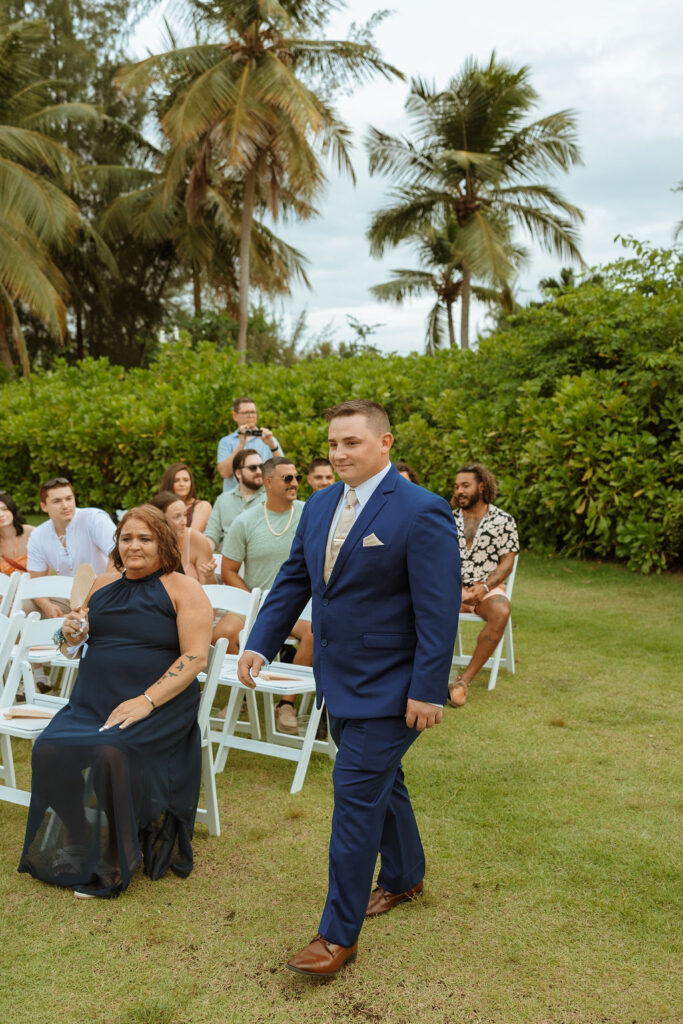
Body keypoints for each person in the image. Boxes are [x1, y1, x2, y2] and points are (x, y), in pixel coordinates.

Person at [238, 400, 461, 977]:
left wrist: (428, 689)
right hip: (337, 678)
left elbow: (438, 611)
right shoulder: (317, 505)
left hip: (393, 687)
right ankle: (405, 877)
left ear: (385, 444)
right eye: (333, 445)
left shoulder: (421, 511)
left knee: (354, 798)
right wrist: (260, 643)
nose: (338, 454)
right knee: (385, 784)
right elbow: (295, 580)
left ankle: (337, 937)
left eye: (352, 444)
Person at [18, 504, 213, 899]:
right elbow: (71, 648)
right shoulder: (101, 584)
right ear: (117, 544)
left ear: (163, 544)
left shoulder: (183, 587)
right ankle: (78, 833)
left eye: (145, 538)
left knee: (110, 750)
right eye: (127, 538)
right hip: (92, 700)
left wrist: (146, 701)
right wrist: (68, 635)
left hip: (159, 702)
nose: (135, 546)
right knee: (49, 750)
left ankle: (113, 853)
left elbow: (195, 657)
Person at [217, 457, 310, 735]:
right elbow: (229, 570)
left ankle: (286, 704)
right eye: (287, 479)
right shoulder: (245, 522)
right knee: (223, 631)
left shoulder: (309, 515)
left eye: (297, 478)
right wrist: (254, 602)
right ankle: (241, 694)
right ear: (268, 483)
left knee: (316, 632)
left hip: (299, 606)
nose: (295, 483)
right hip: (254, 603)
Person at [448, 463, 519, 708]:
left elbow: (508, 561)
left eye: (465, 486)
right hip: (451, 589)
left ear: (481, 486)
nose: (459, 491)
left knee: (501, 610)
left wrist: (486, 587)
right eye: (456, 487)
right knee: (414, 606)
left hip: (486, 589)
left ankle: (463, 681)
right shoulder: (445, 519)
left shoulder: (503, 520)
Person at [26, 478, 116, 619]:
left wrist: (99, 593)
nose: (65, 505)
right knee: (25, 606)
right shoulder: (38, 535)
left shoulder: (94, 518)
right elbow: (36, 582)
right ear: (44, 507)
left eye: (69, 498)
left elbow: (118, 555)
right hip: (66, 596)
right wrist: (47, 606)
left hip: (105, 592)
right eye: (57, 501)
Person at [216, 396, 283, 493]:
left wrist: (273, 447)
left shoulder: (268, 439)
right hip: (235, 500)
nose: (250, 416)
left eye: (253, 412)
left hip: (263, 498)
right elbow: (224, 473)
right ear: (235, 416)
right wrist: (240, 445)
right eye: (246, 413)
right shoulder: (226, 442)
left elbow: (283, 471)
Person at [204, 449, 266, 553]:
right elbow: (211, 535)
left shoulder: (273, 497)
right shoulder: (223, 499)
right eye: (253, 468)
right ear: (238, 473)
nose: (259, 471)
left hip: (261, 560)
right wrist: (203, 557)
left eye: (261, 467)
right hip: (229, 560)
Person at [150, 492, 216, 585]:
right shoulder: (148, 543)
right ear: (159, 520)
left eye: (185, 515)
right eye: (176, 517)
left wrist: (208, 576)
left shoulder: (197, 539)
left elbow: (212, 589)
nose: (184, 522)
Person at [160, 463, 212, 532]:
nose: (182, 484)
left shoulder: (202, 506)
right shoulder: (160, 508)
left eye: (186, 480)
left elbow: (191, 536)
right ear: (169, 483)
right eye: (176, 481)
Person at [0, 491, 34, 575]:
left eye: (4, 509)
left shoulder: (31, 533)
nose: (0, 514)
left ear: (12, 510)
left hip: (36, 585)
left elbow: (47, 567)